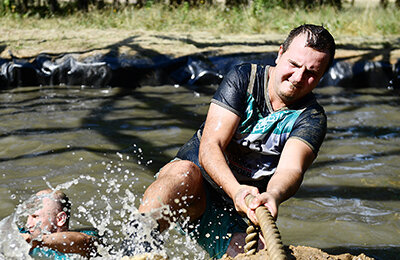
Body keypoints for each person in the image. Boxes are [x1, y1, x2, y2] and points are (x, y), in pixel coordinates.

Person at [138, 24, 335, 258]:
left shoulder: (312, 117)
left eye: (311, 73)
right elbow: (211, 145)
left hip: (233, 213)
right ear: (280, 53)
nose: (298, 77)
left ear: (322, 76)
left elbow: (291, 168)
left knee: (263, 254)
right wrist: (237, 191)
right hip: (191, 187)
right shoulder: (244, 78)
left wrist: (273, 195)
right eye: (294, 64)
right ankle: (139, 244)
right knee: (184, 172)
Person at [20, 189, 98, 259]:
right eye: (28, 216)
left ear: (60, 219)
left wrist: (37, 240)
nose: (28, 224)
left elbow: (86, 242)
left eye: (35, 217)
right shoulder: (24, 235)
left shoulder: (85, 237)